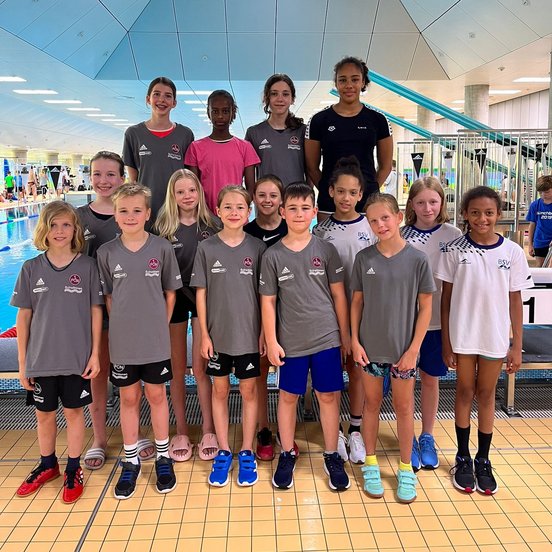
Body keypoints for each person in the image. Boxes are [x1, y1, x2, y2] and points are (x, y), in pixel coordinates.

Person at [437, 186, 533, 495]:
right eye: (476, 212)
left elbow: (515, 301)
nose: (482, 218)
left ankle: (483, 459)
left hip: (494, 336)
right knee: (465, 391)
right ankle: (462, 457)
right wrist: (447, 342)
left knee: (487, 393)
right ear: (465, 214)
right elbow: (446, 300)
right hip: (464, 335)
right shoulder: (454, 250)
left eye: (489, 213)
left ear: (499, 214)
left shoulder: (512, 252)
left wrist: (516, 345)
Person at [11, 201, 103, 503]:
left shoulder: (87, 267)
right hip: (41, 359)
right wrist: (23, 363)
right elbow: (23, 317)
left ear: (75, 230)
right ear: (44, 229)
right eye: (53, 225)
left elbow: (96, 312)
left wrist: (95, 354)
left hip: (76, 358)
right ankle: (48, 464)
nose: (60, 231)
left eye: (66, 225)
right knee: (44, 415)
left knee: (74, 413)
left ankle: (73, 467)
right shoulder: (31, 268)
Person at [261, 183, 351, 491]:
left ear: (314, 212)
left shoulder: (326, 250)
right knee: (288, 397)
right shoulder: (273, 255)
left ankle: (331, 454)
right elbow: (268, 302)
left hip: (326, 338)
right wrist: (271, 340)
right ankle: (287, 453)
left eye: (304, 208)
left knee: (328, 396)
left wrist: (345, 336)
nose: (299, 214)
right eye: (293, 208)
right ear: (282, 212)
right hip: (291, 341)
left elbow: (339, 296)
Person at [96, 183, 182, 499]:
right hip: (123, 341)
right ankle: (131, 458)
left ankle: (163, 456)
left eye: (136, 210)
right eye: (124, 211)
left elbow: (170, 293)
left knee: (157, 395)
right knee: (129, 398)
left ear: (147, 214)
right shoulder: (106, 253)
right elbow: (108, 298)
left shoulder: (162, 248)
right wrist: (123, 325)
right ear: (115, 215)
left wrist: (159, 322)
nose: (130, 216)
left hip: (155, 339)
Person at [351, 193, 435, 503]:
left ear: (399, 217)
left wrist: (414, 349)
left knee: (403, 407)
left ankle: (405, 468)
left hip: (403, 351)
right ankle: (371, 464)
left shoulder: (417, 260)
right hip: (371, 348)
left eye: (385, 218)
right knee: (371, 404)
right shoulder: (364, 259)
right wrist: (354, 341)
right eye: (373, 221)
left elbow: (426, 308)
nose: (380, 225)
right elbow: (356, 303)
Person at [77, 151, 155, 470]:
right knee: (98, 375)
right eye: (97, 174)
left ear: (122, 178)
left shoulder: (131, 212)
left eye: (111, 174)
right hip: (94, 310)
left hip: (132, 311)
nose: (103, 180)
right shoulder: (79, 217)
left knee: (135, 377)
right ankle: (98, 438)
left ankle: (136, 435)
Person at [191, 185, 266, 487]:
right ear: (218, 210)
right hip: (218, 336)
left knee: (249, 392)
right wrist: (204, 335)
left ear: (248, 212)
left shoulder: (257, 248)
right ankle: (224, 450)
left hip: (248, 335)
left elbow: (265, 296)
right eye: (228, 207)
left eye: (240, 207)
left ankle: (246, 450)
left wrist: (263, 332)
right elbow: (201, 294)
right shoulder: (206, 248)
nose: (234, 212)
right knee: (219, 391)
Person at [313, 156, 376, 464]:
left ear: (361, 194)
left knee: (357, 368)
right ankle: (334, 428)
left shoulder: (371, 226)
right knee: (332, 370)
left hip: (363, 312)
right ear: (330, 192)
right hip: (329, 313)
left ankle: (355, 428)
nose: (346, 198)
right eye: (340, 192)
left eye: (352, 192)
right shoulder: (320, 231)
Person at [155, 169, 220, 462]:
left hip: (204, 298)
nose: (187, 196)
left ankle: (208, 428)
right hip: (175, 299)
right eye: (180, 192)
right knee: (177, 368)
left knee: (202, 367)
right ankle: (181, 429)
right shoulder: (163, 228)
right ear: (173, 195)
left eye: (191, 190)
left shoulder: (212, 224)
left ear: (199, 192)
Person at [402, 177, 462, 471]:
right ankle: (408, 437)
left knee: (430, 379)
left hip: (437, 323)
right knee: (405, 381)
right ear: (411, 205)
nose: (428, 208)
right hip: (405, 323)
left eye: (433, 202)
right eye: (421, 202)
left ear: (442, 203)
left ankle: (427, 435)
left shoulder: (454, 235)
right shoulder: (400, 234)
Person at [305, 56, 393, 220]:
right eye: (343, 80)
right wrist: (329, 190)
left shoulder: (378, 120)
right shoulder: (319, 120)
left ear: (363, 82)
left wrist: (368, 189)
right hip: (330, 204)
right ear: (336, 83)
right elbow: (312, 168)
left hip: (367, 203)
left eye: (355, 79)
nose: (349, 85)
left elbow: (385, 167)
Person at [244, 175, 288, 460]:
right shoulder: (245, 232)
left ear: (281, 200)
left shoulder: (292, 228)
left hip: (289, 310)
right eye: (261, 195)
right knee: (259, 371)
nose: (267, 200)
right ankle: (263, 428)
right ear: (254, 198)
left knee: (289, 371)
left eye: (273, 195)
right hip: (255, 312)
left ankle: (286, 428)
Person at [123, 77, 194, 219]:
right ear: (148, 99)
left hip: (176, 212)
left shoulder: (185, 134)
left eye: (168, 96)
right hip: (146, 211)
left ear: (174, 103)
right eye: (156, 94)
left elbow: (190, 177)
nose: (161, 100)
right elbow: (134, 182)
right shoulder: (133, 134)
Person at [185, 90, 259, 211]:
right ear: (208, 113)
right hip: (206, 217)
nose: (220, 116)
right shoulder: (195, 148)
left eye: (225, 111)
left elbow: (250, 190)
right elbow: (193, 189)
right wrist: (204, 214)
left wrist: (237, 210)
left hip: (236, 217)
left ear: (233, 113)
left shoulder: (245, 147)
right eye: (215, 111)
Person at [245, 74, 306, 186]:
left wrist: (307, 193)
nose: (280, 99)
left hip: (296, 196)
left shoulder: (303, 131)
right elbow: (249, 175)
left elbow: (311, 170)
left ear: (292, 99)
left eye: (285, 94)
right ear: (266, 98)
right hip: (266, 196)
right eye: (274, 94)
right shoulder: (254, 133)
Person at [526, 174, 552, 267]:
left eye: (547, 192)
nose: (543, 195)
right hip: (540, 240)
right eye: (540, 193)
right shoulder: (535, 205)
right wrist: (530, 244)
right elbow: (532, 225)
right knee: (540, 266)